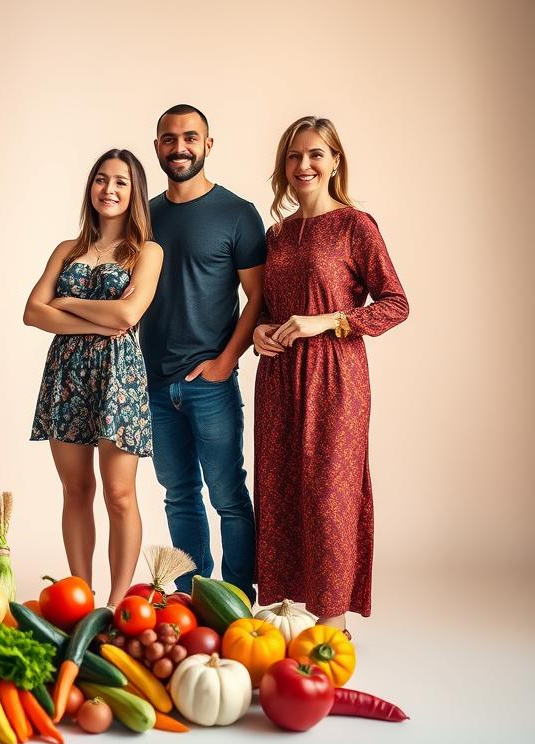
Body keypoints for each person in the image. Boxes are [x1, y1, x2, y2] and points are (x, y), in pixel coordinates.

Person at [253, 116, 409, 636]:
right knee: (279, 487)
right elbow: (264, 308)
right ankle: (286, 616)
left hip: (336, 376)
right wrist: (260, 333)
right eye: (294, 156)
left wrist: (332, 319)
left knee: (329, 494)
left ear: (335, 161)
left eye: (315, 154)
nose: (304, 165)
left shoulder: (355, 226)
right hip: (278, 378)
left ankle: (332, 623)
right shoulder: (275, 235)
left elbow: (395, 303)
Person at [25, 149, 162, 607]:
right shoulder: (66, 250)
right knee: (76, 489)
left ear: (134, 192)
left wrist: (64, 302)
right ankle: (80, 597)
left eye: (121, 182)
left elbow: (127, 313)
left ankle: (119, 603)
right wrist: (96, 319)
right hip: (66, 375)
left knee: (120, 494)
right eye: (101, 180)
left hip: (118, 377)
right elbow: (32, 312)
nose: (109, 189)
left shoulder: (147, 252)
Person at [139, 105, 265, 600]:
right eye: (169, 139)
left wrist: (226, 361)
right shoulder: (144, 213)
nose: (179, 147)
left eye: (190, 138)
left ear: (208, 145)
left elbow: (258, 297)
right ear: (157, 148)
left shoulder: (237, 213)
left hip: (210, 381)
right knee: (179, 496)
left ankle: (236, 598)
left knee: (229, 495)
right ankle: (195, 595)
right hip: (152, 382)